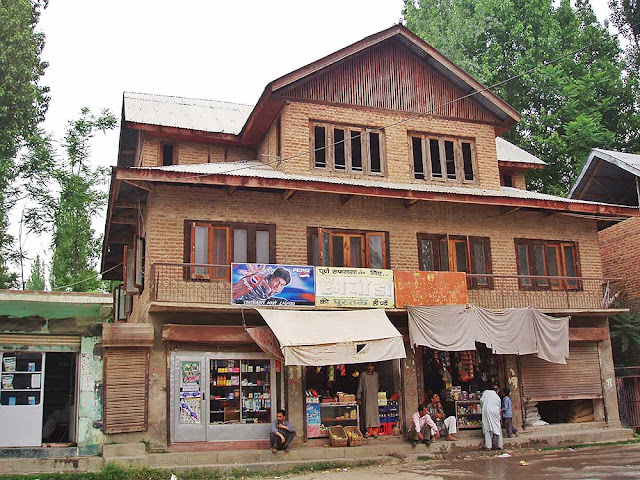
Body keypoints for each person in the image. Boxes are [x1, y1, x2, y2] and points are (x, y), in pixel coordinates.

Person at [357, 363, 380, 438]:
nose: (370, 367)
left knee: (374, 414)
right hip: (366, 397)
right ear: (366, 367)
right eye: (369, 366)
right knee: (367, 413)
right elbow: (360, 386)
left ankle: (374, 431)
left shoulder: (376, 375)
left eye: (372, 366)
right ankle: (368, 431)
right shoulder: (363, 375)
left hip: (374, 397)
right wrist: (359, 397)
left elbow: (377, 385)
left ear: (374, 367)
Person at [480, 383, 503, 451]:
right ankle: (500, 444)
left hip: (486, 411)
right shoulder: (497, 396)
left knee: (486, 427)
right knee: (497, 426)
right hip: (495, 412)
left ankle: (488, 445)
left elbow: (481, 401)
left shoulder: (485, 393)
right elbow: (499, 405)